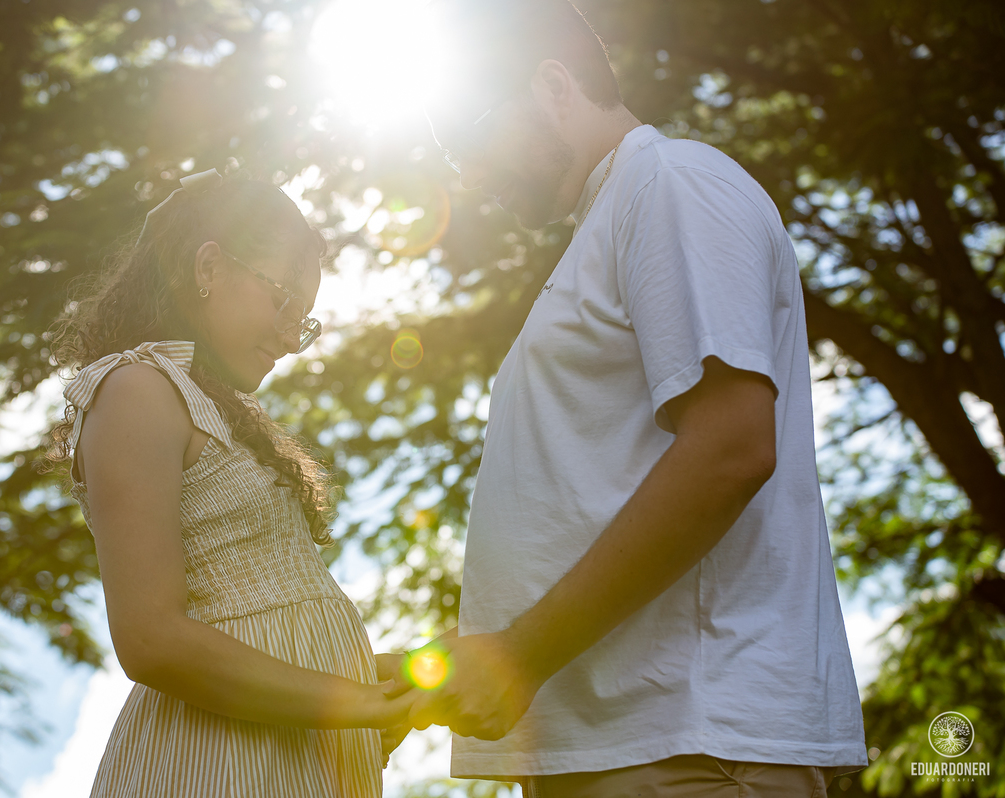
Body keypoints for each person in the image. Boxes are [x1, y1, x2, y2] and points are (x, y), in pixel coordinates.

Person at [383, 1, 868, 795]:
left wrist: (520, 655)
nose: (467, 177)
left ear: (552, 86)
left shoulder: (672, 183)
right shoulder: (614, 218)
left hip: (690, 747)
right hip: (621, 749)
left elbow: (731, 448)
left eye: (470, 141)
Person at [43, 169, 416, 797]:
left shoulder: (218, 411)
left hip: (297, 757)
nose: (292, 340)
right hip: (219, 762)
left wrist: (364, 677)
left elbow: (257, 619)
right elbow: (151, 639)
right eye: (284, 302)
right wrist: (355, 703)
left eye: (305, 321)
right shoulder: (137, 389)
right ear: (210, 267)